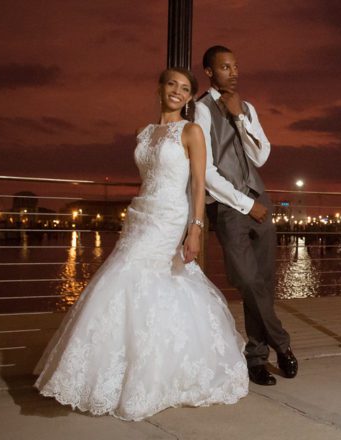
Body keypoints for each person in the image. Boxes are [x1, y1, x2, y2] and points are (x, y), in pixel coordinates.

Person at [34, 68, 248, 421]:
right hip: (141, 212)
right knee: (143, 282)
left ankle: (145, 375)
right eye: (171, 84)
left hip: (169, 216)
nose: (177, 91)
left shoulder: (191, 131)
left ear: (189, 97)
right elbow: (148, 177)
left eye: (185, 88)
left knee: (123, 274)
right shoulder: (143, 132)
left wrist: (195, 228)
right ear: (160, 88)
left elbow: (198, 184)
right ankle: (125, 368)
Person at [195, 45, 297, 386]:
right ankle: (281, 343)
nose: (234, 72)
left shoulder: (247, 107)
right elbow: (206, 170)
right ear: (209, 72)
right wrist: (245, 204)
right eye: (225, 67)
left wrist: (240, 117)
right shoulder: (200, 110)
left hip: (260, 200)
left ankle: (256, 357)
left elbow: (262, 155)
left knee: (263, 283)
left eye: (236, 66)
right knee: (247, 281)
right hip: (228, 206)